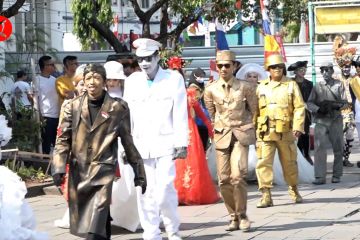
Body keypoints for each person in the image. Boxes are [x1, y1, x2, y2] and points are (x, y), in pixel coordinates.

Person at [52, 63, 146, 240]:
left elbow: (128, 141)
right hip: (79, 172)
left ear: (104, 81)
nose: (92, 82)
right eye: (88, 78)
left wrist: (138, 171)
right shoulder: (71, 107)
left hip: (104, 169)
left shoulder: (118, 107)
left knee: (97, 220)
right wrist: (58, 167)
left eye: (96, 78)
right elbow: (62, 140)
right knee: (89, 225)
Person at [123, 38, 188, 240]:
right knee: (144, 191)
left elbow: (179, 112)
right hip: (140, 145)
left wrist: (181, 142)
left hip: (166, 143)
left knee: (164, 190)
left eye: (149, 58)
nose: (144, 63)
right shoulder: (132, 81)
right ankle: (151, 233)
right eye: (140, 59)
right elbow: (127, 116)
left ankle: (172, 229)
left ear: (158, 56)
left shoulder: (173, 79)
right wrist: (126, 146)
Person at [204, 50, 256, 232]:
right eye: (220, 66)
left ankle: (242, 215)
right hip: (221, 135)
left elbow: (254, 111)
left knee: (237, 176)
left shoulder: (246, 87)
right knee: (223, 179)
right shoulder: (210, 89)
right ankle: (232, 215)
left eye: (227, 65)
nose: (223, 69)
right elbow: (211, 114)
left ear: (235, 66)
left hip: (241, 134)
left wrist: (250, 129)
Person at [237, 63, 314, 184]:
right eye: (249, 76)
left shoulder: (264, 88)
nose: (252, 79)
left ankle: (279, 181)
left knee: (280, 157)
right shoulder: (241, 91)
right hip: (249, 126)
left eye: (254, 76)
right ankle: (256, 179)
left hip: (271, 126)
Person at [255, 53, 305, 208]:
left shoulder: (291, 85)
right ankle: (266, 195)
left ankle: (294, 189)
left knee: (290, 162)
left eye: (279, 66)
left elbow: (299, 107)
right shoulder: (261, 86)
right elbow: (255, 110)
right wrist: (253, 130)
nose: (277, 69)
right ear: (268, 69)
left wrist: (298, 126)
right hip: (266, 131)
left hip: (286, 131)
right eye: (273, 67)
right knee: (263, 163)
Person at [307, 63, 347, 184]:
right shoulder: (317, 86)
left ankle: (337, 175)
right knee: (319, 148)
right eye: (322, 70)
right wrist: (318, 109)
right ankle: (319, 176)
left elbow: (345, 102)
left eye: (327, 70)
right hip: (321, 120)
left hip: (335, 120)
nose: (324, 72)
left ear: (332, 71)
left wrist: (336, 106)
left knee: (338, 148)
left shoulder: (339, 84)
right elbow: (309, 103)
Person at [333, 35, 356, 167]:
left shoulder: (354, 78)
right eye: (344, 68)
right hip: (340, 111)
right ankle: (339, 158)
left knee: (349, 135)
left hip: (351, 110)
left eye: (348, 67)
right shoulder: (335, 78)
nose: (346, 69)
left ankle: (345, 158)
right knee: (339, 135)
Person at [288, 61, 314, 165]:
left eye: (304, 69)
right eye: (300, 70)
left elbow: (312, 99)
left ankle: (306, 155)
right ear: (295, 71)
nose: (303, 72)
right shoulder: (290, 83)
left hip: (305, 113)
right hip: (293, 114)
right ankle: (297, 157)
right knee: (295, 135)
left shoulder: (309, 84)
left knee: (305, 135)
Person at [36, 55, 60, 154]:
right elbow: (34, 99)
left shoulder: (55, 80)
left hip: (58, 116)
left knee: (58, 144)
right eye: (51, 65)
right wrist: (39, 115)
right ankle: (45, 167)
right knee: (46, 145)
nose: (54, 67)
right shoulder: (36, 80)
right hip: (46, 117)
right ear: (45, 66)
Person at [187, 68, 211, 149]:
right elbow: (195, 101)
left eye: (202, 76)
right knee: (200, 144)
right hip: (198, 120)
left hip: (202, 120)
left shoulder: (200, 86)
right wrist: (206, 90)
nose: (201, 78)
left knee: (203, 143)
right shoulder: (193, 88)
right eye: (199, 76)